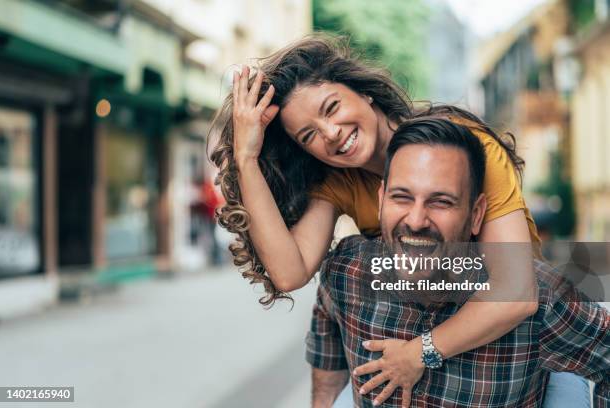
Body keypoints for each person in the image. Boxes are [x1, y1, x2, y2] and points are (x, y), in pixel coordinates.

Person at [210, 34, 540, 396]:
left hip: (520, 351)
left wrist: (419, 353)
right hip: (424, 358)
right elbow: (290, 272)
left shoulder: (460, 147)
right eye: (309, 136)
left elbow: (517, 291)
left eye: (332, 108)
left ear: (362, 91)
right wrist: (246, 158)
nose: (331, 134)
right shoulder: (341, 183)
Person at [307, 118, 609, 407]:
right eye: (401, 197)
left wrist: (423, 351)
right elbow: (327, 362)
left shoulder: (541, 300)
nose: (416, 221)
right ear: (382, 197)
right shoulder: (346, 271)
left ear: (476, 214)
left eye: (441, 202)